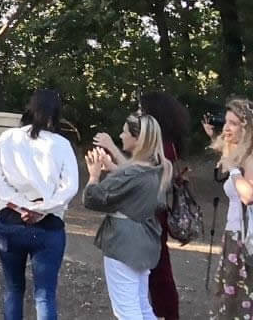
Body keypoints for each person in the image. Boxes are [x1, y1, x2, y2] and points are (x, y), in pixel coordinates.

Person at [0, 88, 80, 320]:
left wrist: (20, 205)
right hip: (47, 225)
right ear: (55, 114)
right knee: (45, 294)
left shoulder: (8, 138)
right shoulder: (61, 145)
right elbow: (69, 187)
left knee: (13, 289)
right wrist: (41, 208)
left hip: (10, 221)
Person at [95, 92, 189, 320]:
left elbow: (136, 177)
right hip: (150, 214)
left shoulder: (162, 147)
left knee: (158, 275)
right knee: (150, 278)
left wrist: (111, 150)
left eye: (141, 110)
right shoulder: (164, 145)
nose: (138, 114)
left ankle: (167, 314)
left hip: (150, 216)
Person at [83, 113, 173, 320]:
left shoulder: (133, 174)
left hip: (124, 244)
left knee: (127, 310)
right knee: (141, 305)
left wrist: (94, 175)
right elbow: (134, 182)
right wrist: (114, 168)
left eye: (125, 131)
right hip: (145, 241)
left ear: (137, 139)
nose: (121, 135)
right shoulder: (159, 168)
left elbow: (93, 199)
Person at [203, 97, 253, 320]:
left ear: (247, 126)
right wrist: (215, 138)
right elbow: (226, 159)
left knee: (241, 301)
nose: (226, 127)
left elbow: (248, 195)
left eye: (233, 123)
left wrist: (233, 168)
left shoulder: (250, 158)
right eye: (226, 122)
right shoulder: (240, 155)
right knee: (231, 300)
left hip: (244, 240)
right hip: (234, 235)